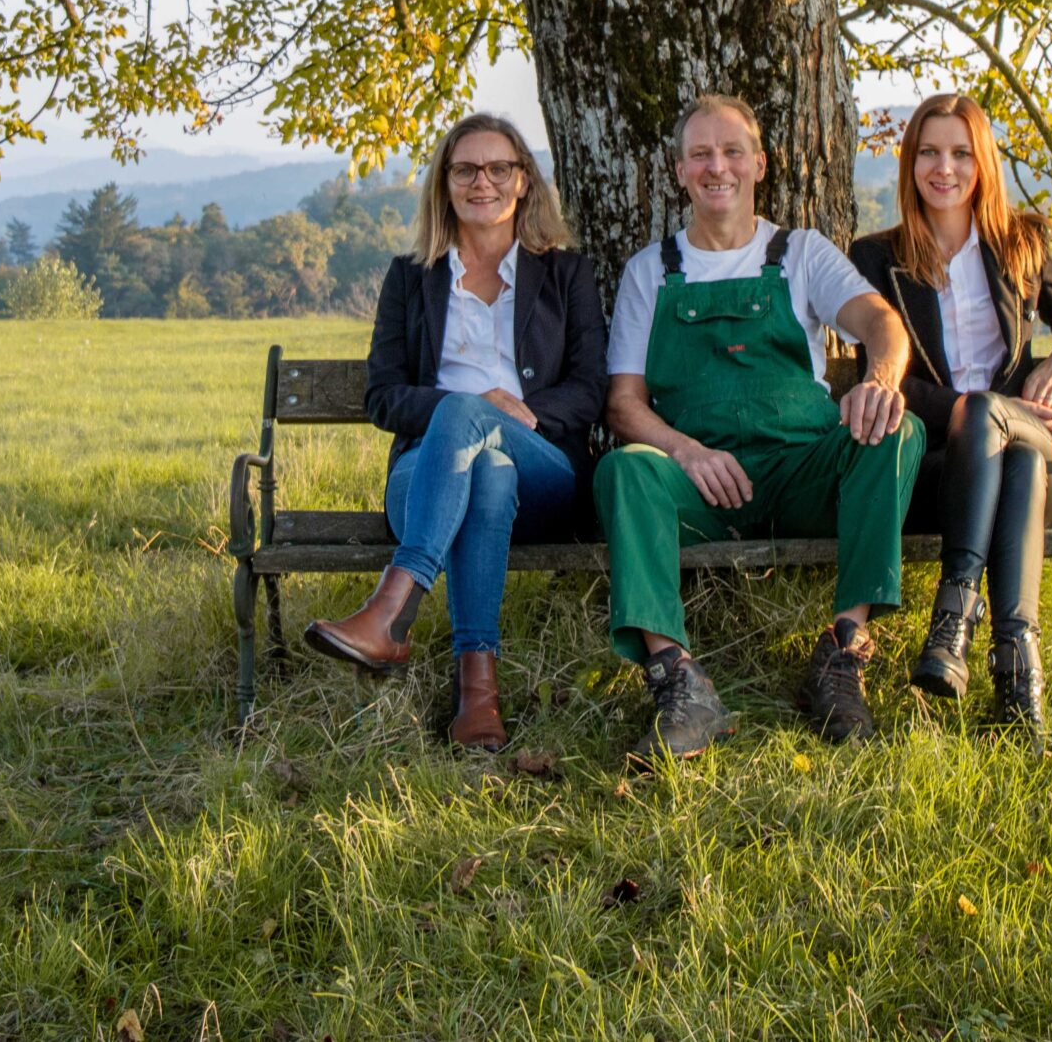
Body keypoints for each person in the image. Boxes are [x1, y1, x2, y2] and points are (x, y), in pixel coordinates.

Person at [596, 94, 924, 758]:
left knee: (899, 429)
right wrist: (684, 451)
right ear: (679, 170)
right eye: (701, 154)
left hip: (800, 472)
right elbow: (623, 403)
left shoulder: (799, 252)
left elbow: (881, 324)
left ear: (760, 164)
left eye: (732, 151)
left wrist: (880, 380)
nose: (717, 166)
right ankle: (681, 684)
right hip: (702, 484)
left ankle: (841, 656)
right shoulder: (650, 271)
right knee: (624, 466)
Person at [303, 114, 608, 752]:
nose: (483, 182)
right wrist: (465, 408)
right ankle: (478, 695)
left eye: (500, 168)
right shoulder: (411, 276)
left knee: (482, 431)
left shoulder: (565, 274)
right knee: (480, 460)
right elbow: (382, 396)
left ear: (523, 181)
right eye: (465, 169)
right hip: (428, 476)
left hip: (543, 471)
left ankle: (393, 607)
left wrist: (504, 413)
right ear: (444, 184)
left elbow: (589, 390)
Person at [847, 94, 1052, 735]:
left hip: (1042, 459)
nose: (945, 168)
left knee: (1019, 448)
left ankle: (953, 622)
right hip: (944, 468)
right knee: (1002, 438)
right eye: (930, 152)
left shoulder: (1023, 243)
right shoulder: (878, 258)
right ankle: (1019, 682)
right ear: (910, 163)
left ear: (982, 162)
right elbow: (887, 376)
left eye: (961, 153)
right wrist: (975, 409)